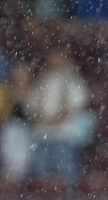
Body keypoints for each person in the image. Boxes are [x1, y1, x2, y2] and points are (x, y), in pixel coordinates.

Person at [26, 47, 89, 189]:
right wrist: (41, 118)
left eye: (58, 57)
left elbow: (77, 103)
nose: (55, 60)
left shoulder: (71, 80)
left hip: (63, 134)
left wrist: (57, 118)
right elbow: (31, 104)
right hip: (41, 134)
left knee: (67, 177)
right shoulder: (41, 80)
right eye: (53, 57)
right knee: (39, 177)